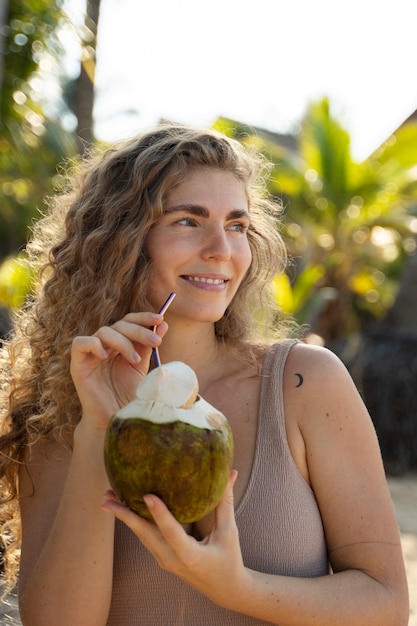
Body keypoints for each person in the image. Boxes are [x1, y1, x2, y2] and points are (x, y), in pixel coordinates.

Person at [0, 122, 409, 626]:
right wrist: (98, 431)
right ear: (121, 241)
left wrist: (237, 588)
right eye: (188, 221)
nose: (222, 248)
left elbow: (387, 604)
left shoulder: (305, 383)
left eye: (237, 225)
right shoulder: (62, 408)